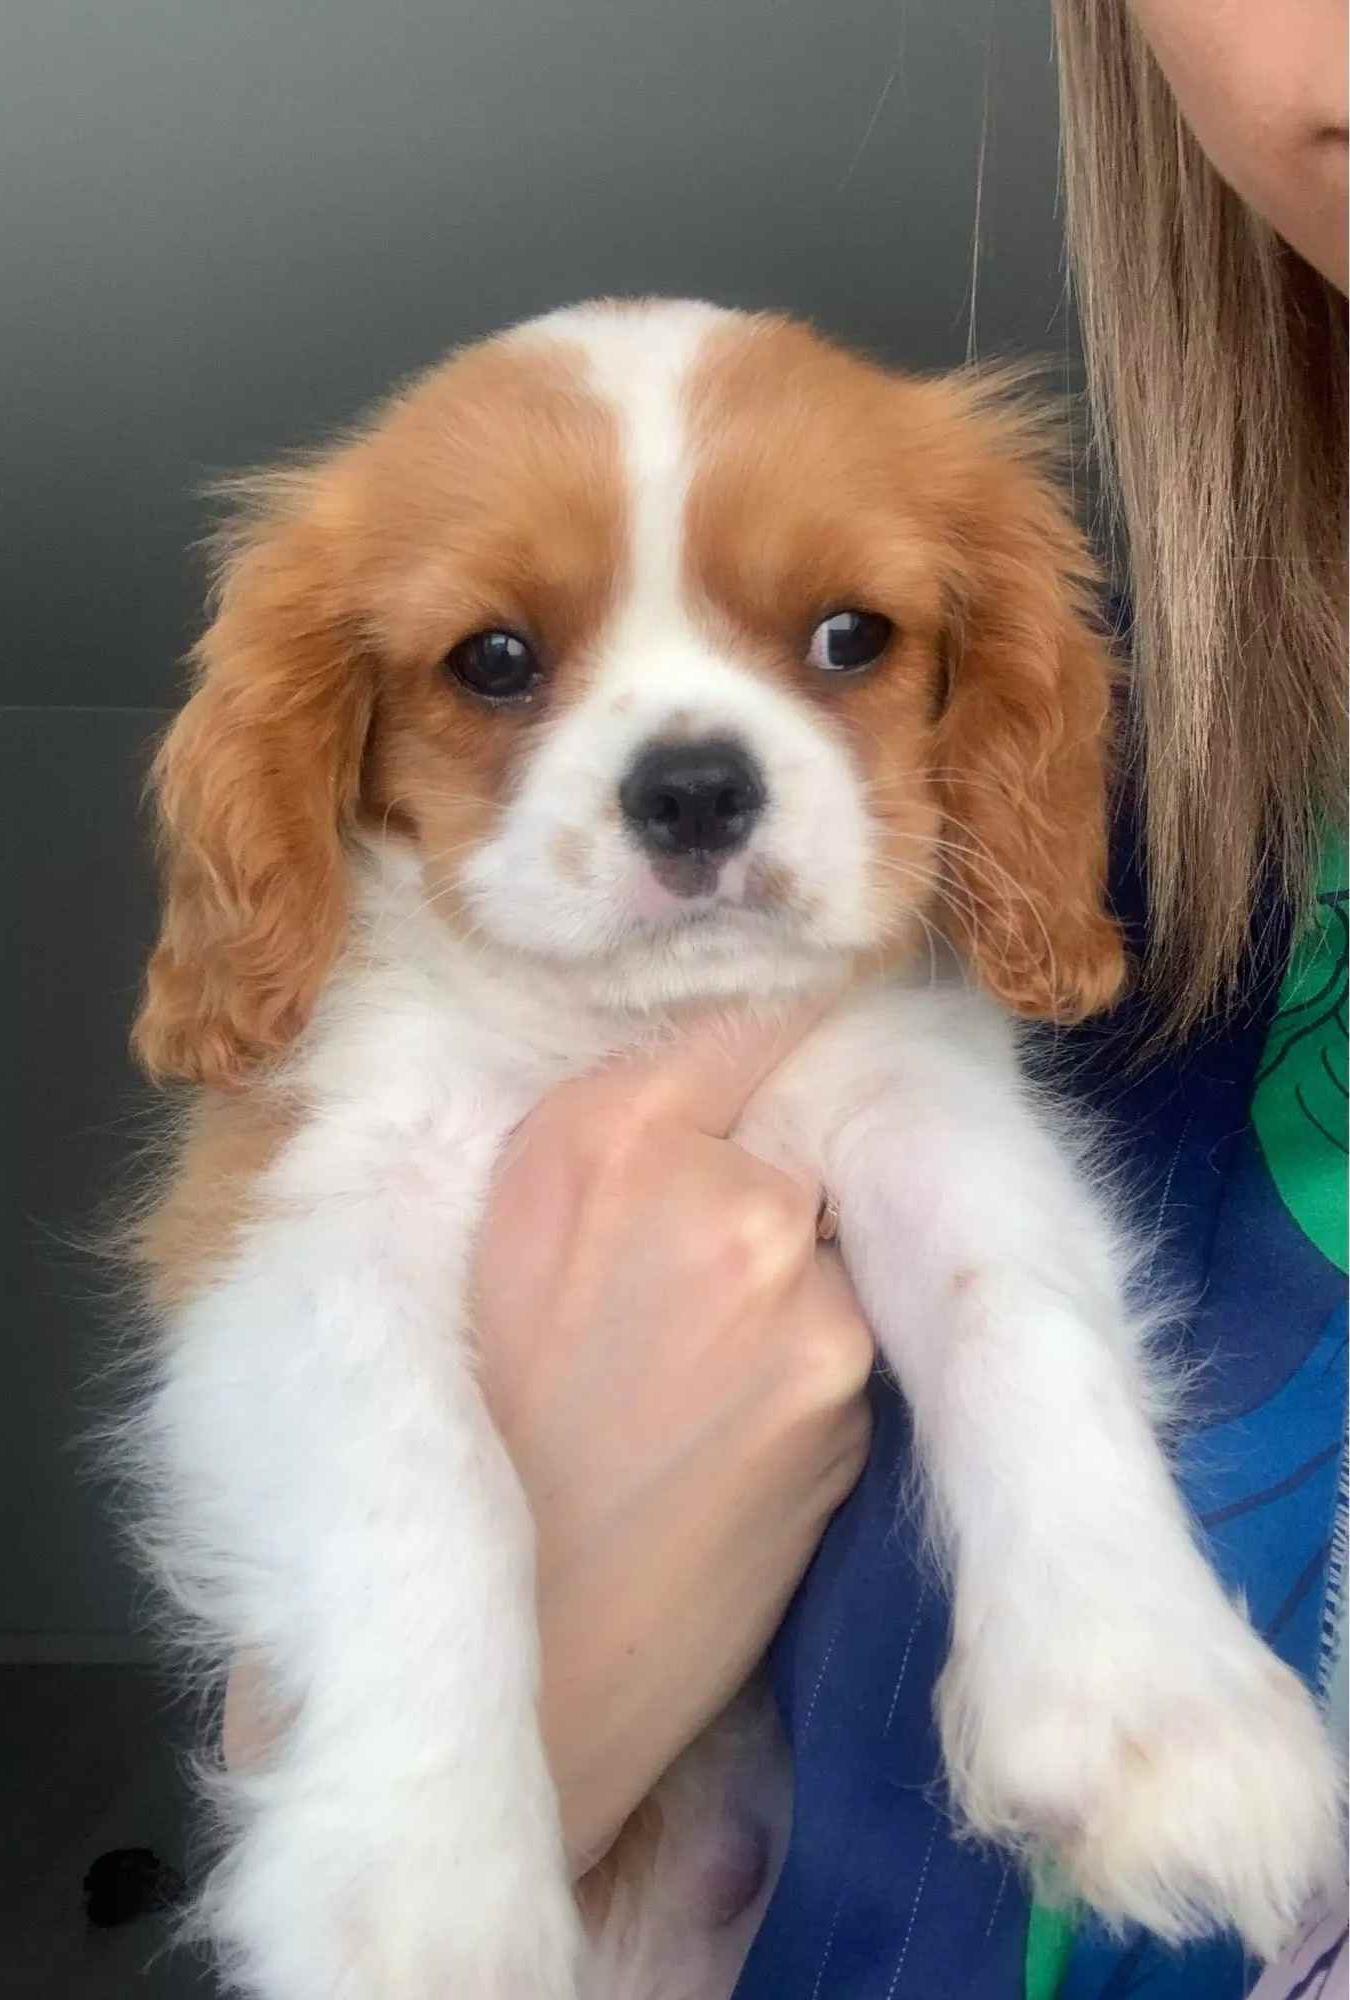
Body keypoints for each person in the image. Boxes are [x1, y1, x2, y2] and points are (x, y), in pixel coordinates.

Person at [225, 2, 1347, 1993]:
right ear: (333, 735)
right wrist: (450, 1723)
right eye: (499, 664)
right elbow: (281, 1317)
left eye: (839, 637)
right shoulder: (399, 1028)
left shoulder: (952, 958)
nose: (692, 767)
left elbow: (950, 1175)